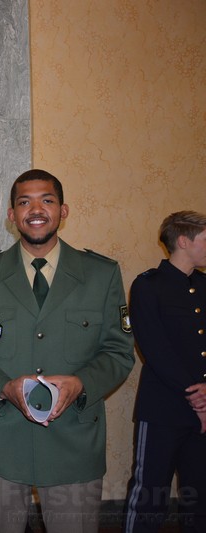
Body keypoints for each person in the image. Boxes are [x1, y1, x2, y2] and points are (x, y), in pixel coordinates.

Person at [0, 169, 135, 533]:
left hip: (74, 444)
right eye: (24, 202)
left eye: (46, 200)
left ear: (63, 211)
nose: (36, 209)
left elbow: (118, 351)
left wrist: (80, 384)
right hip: (1, 441)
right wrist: (4, 388)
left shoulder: (101, 274)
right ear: (11, 214)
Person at [123, 211, 206, 532]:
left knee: (199, 497)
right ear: (183, 241)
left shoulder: (203, 285)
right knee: (149, 494)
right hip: (163, 409)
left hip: (203, 409)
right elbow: (155, 349)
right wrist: (196, 395)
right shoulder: (148, 286)